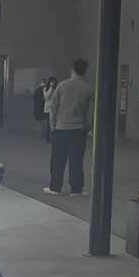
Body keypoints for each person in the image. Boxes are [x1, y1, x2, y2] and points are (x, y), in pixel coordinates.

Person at [46, 61, 93, 196]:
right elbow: (90, 113)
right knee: (76, 160)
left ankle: (55, 188)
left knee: (58, 160)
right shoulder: (88, 89)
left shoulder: (62, 86)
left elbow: (53, 109)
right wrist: (88, 128)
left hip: (61, 129)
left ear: (72, 69)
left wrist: (53, 127)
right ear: (85, 71)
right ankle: (76, 189)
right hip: (79, 130)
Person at [39, 76, 58, 142]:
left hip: (54, 108)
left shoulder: (55, 88)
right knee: (49, 124)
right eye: (51, 81)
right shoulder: (48, 88)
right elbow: (47, 96)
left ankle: (52, 137)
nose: (53, 83)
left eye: (54, 81)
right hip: (49, 109)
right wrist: (50, 88)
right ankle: (49, 138)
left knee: (53, 124)